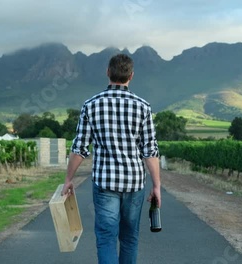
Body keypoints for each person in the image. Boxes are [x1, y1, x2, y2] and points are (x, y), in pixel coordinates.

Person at [61, 53, 161, 264]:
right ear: (131, 76)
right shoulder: (143, 107)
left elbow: (79, 148)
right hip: (134, 183)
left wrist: (68, 179)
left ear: (108, 72)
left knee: (106, 238)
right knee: (129, 238)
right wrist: (157, 186)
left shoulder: (91, 105)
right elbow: (150, 151)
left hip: (105, 183)